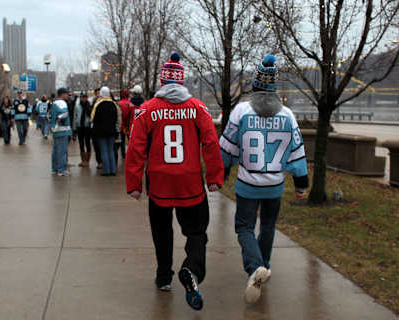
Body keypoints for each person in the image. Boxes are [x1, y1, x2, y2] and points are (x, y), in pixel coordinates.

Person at [125, 53, 224, 311]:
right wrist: (214, 177)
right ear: (182, 81)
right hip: (190, 182)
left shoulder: (146, 110)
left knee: (161, 231)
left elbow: (135, 148)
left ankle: (163, 276)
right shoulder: (198, 108)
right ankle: (191, 268)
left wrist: (134, 183)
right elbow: (212, 143)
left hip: (159, 182)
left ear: (162, 81)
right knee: (197, 232)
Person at [220, 54, 309, 304]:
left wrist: (223, 171)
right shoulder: (288, 116)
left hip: (248, 185)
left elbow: (227, 147)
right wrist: (301, 184)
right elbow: (297, 152)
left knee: (244, 227)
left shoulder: (241, 111)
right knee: (268, 226)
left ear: (255, 84)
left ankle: (255, 267)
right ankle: (264, 267)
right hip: (275, 186)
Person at [91, 86, 118, 176]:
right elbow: (116, 118)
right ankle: (113, 170)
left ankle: (106, 171)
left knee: (104, 151)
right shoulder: (113, 104)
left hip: (100, 132)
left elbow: (93, 118)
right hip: (111, 131)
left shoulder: (98, 104)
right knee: (111, 150)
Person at [50, 88, 73, 176]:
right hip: (62, 129)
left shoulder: (55, 102)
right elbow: (64, 114)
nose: (68, 96)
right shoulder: (62, 103)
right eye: (67, 94)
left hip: (56, 129)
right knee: (62, 150)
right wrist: (60, 119)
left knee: (56, 150)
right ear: (62, 94)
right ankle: (61, 170)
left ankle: (55, 168)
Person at [74, 92, 93, 167]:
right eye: (82, 97)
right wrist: (74, 127)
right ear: (80, 98)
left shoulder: (89, 106)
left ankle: (87, 161)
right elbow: (75, 116)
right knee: (81, 143)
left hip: (87, 127)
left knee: (87, 143)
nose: (83, 98)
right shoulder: (77, 106)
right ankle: (83, 160)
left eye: (85, 97)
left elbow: (91, 116)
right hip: (79, 127)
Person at [117, 90, 131, 159]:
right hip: (129, 125)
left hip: (121, 125)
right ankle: (130, 154)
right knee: (130, 140)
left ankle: (123, 155)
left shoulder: (119, 103)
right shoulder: (131, 103)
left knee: (122, 141)